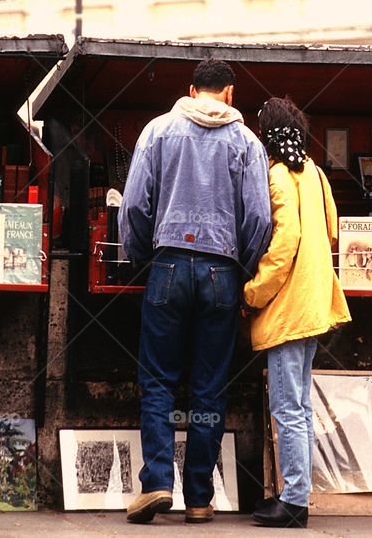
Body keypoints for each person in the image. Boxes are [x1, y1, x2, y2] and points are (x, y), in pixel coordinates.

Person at [120, 58, 272, 524]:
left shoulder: (158, 131)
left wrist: (145, 255)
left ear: (191, 89)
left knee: (158, 381)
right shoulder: (247, 142)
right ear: (229, 92)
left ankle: (158, 482)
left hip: (166, 266)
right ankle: (201, 499)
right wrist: (240, 267)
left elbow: (133, 206)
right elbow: (260, 219)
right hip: (221, 273)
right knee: (209, 389)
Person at [243, 97, 351, 529]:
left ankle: (293, 502)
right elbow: (332, 228)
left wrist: (253, 292)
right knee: (300, 406)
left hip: (287, 307)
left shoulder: (278, 176)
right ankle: (296, 494)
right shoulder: (317, 173)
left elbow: (282, 245)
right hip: (313, 304)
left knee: (287, 407)